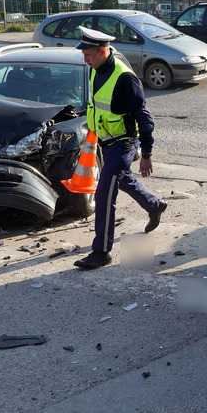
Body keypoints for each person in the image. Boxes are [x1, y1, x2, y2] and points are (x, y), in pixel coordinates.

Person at [73, 26, 168, 270]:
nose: (84, 58)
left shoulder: (125, 78)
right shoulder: (94, 70)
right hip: (106, 142)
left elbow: (145, 119)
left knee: (104, 190)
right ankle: (154, 205)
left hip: (125, 143)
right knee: (121, 179)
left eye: (88, 54)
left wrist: (146, 154)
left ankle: (101, 251)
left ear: (103, 51)